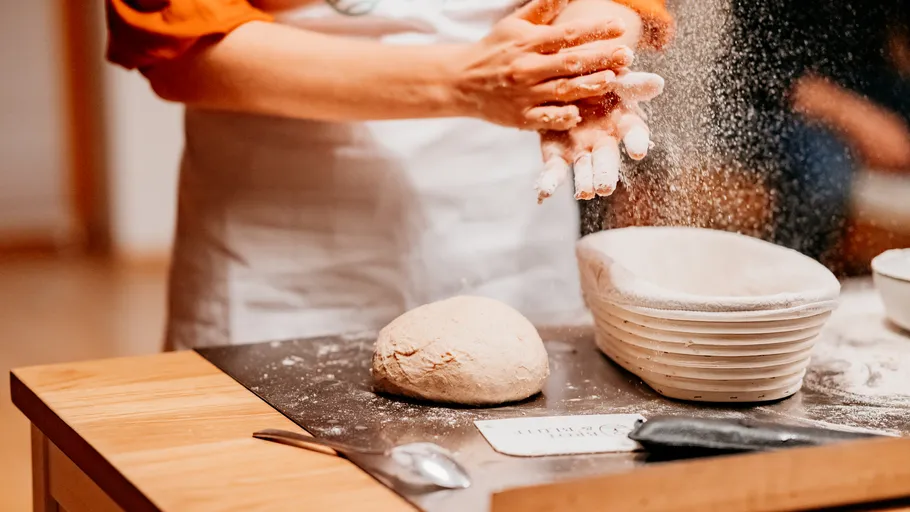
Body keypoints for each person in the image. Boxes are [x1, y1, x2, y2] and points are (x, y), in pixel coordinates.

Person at [106, 0, 672, 350]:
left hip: (508, 233)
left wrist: (576, 62)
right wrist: (463, 82)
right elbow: (180, 49)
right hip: (280, 261)